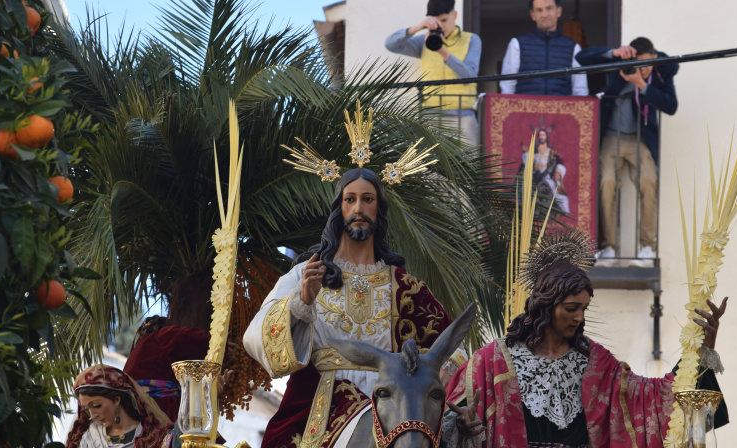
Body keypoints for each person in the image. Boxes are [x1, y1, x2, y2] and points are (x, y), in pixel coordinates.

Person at [442, 233, 728, 448]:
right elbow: (439, 425)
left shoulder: (596, 363)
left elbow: (653, 400)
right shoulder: (490, 363)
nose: (579, 317)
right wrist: (461, 427)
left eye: (583, 308)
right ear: (545, 306)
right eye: (570, 308)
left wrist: (701, 348)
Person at [243, 166, 453, 448]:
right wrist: (301, 303)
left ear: (379, 209)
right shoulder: (307, 274)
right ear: (338, 208)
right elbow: (255, 337)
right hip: (320, 408)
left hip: (393, 406)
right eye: (350, 199)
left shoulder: (406, 287)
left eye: (368, 199)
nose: (358, 208)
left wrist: (447, 371)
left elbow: (451, 347)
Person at [576, 37, 678, 267]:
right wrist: (613, 52)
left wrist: (642, 85)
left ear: (654, 57)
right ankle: (608, 248)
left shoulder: (663, 70)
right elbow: (581, 58)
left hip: (640, 137)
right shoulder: (620, 65)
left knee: (649, 180)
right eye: (638, 65)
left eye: (647, 65)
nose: (642, 70)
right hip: (611, 137)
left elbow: (671, 106)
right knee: (606, 183)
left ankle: (647, 249)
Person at [385, 0, 481, 146]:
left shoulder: (471, 40)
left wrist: (441, 51)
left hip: (463, 116)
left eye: (444, 20)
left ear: (454, 15)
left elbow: (469, 76)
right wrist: (417, 28)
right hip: (431, 116)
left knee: (468, 166)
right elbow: (391, 44)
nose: (441, 25)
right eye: (436, 21)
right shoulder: (425, 41)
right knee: (432, 167)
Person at [123, 315, 211, 423]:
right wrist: (215, 343)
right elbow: (186, 337)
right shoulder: (158, 337)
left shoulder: (136, 351)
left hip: (131, 412)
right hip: (159, 408)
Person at [66, 365, 173, 448]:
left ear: (117, 399)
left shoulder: (154, 437)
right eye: (86, 409)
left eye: (97, 406)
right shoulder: (88, 436)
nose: (92, 416)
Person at [499, 0, 588, 97]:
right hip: (524, 110)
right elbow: (507, 88)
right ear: (532, 15)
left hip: (562, 110)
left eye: (549, 8)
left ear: (559, 11)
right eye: (539, 10)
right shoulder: (517, 44)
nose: (544, 14)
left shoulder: (573, 47)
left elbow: (580, 91)